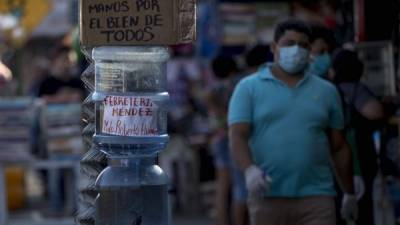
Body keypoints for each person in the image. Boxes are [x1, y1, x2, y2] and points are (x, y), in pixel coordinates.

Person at [228, 19, 357, 225]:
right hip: (268, 196)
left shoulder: (327, 91)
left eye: (304, 45)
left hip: (318, 198)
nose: (296, 50)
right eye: (289, 43)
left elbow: (339, 147)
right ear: (274, 47)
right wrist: (249, 170)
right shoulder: (248, 88)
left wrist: (349, 193)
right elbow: (238, 136)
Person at [330, 49, 384, 225]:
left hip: (335, 165)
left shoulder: (329, 90)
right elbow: (375, 112)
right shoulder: (356, 89)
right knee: (363, 213)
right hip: (359, 160)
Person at [206, 55, 248, 225]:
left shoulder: (213, 89)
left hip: (218, 137)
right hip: (233, 137)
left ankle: (222, 221)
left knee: (222, 186)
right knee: (239, 187)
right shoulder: (237, 84)